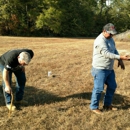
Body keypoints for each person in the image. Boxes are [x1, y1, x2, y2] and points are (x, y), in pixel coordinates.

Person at [90, 23, 130, 114]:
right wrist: (122, 57)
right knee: (99, 88)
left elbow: (114, 50)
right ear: (104, 31)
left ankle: (107, 105)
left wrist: (119, 60)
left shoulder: (110, 38)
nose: (112, 35)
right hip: (100, 69)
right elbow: (106, 54)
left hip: (109, 68)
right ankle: (94, 107)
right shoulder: (99, 41)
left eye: (113, 33)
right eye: (110, 33)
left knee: (112, 86)